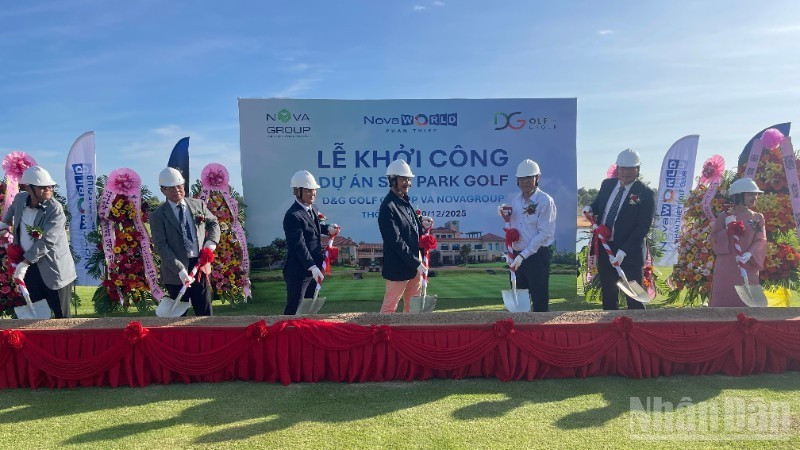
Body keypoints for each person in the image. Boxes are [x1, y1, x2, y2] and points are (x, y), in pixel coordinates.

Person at [0, 166, 76, 318]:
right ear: (28, 188)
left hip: (54, 268)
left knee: (62, 318)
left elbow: (47, 241)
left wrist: (24, 263)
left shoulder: (55, 209)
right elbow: (12, 210)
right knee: (38, 316)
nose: (49, 189)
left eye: (50, 186)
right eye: (43, 187)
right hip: (30, 269)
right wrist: (4, 224)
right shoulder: (20, 199)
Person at [585, 149, 655, 310]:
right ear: (617, 169)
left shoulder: (645, 193)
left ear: (638, 170)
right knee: (609, 297)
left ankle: (637, 331)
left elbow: (643, 227)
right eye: (623, 168)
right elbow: (598, 205)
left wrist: (623, 251)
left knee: (634, 299)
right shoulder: (607, 185)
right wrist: (590, 207)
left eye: (631, 168)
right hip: (606, 248)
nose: (627, 172)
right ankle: (611, 330)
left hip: (629, 253)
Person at [149, 167, 220, 316]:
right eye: (171, 188)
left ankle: (207, 338)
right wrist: (180, 270)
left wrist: (212, 240)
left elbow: (213, 222)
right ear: (162, 190)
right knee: (178, 317)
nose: (177, 190)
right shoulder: (158, 215)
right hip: (175, 271)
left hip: (199, 266)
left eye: (179, 186)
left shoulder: (197, 205)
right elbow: (161, 246)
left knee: (205, 312)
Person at [282, 170, 339, 315]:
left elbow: (315, 228)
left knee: (310, 311)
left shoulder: (312, 210)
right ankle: (287, 336)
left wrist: (328, 229)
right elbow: (299, 245)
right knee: (295, 309)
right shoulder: (292, 216)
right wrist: (312, 266)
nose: (313, 193)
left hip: (315, 269)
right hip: (299, 271)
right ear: (297, 191)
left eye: (314, 190)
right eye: (308, 190)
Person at [504, 159, 557, 312]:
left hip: (537, 256)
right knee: (519, 301)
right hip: (517, 257)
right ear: (517, 180)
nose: (525, 182)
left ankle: (539, 334)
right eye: (522, 178)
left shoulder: (545, 200)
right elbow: (513, 230)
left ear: (537, 178)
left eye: (529, 178)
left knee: (539, 300)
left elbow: (544, 234)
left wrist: (523, 255)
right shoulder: (516, 200)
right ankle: (519, 333)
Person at [710, 178, 766, 307]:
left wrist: (749, 254)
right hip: (727, 264)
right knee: (724, 300)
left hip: (749, 264)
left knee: (747, 302)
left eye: (756, 194)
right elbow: (714, 239)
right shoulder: (725, 216)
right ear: (739, 195)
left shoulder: (758, 217)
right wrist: (727, 230)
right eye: (751, 194)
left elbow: (761, 239)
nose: (755, 197)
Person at [378, 159, 425, 313]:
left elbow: (413, 229)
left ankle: (409, 335)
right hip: (398, 267)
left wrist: (422, 225)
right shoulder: (388, 207)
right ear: (392, 180)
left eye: (409, 179)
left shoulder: (404, 201)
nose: (407, 183)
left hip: (414, 265)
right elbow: (395, 241)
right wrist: (415, 262)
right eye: (403, 179)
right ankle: (382, 336)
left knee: (412, 308)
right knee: (389, 308)